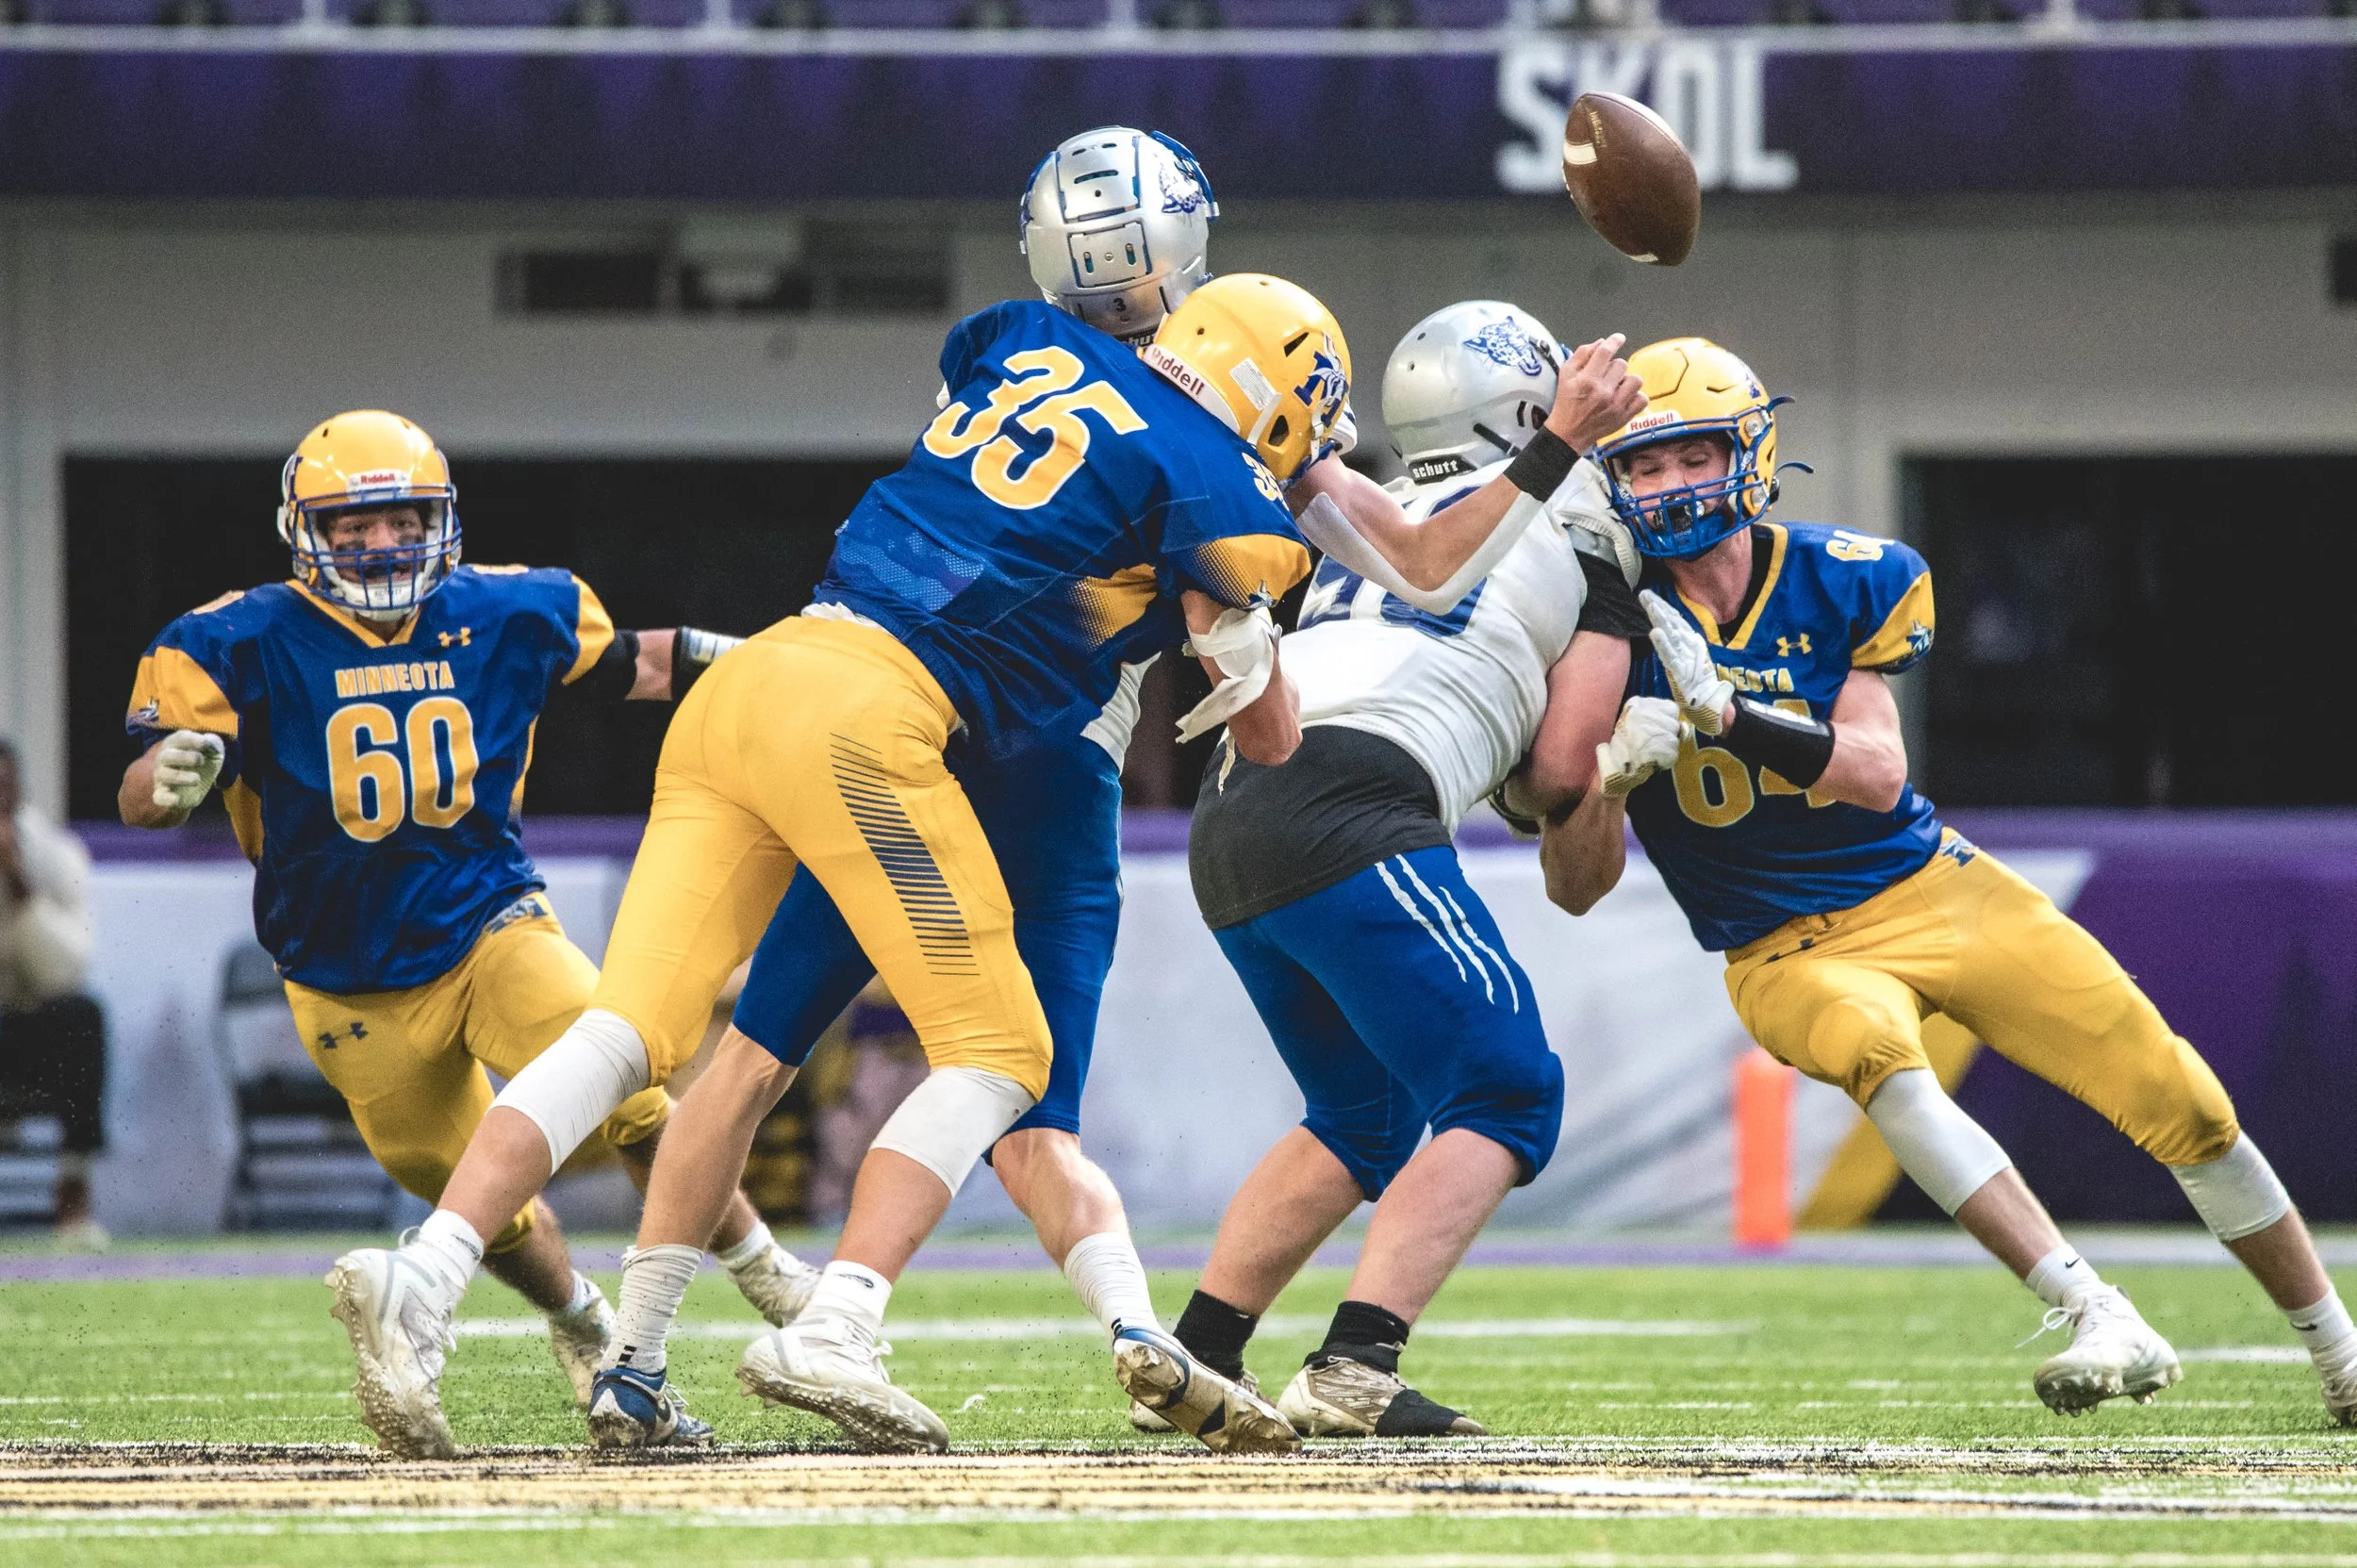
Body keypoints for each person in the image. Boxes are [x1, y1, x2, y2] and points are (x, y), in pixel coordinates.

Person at [325, 270, 1520, 1459]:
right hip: (873, 718)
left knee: (626, 1036)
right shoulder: (1218, 495)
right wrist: (1249, 633)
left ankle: (433, 1277)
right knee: (1004, 1055)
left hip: (759, 672)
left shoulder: (1034, 344)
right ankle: (838, 1322)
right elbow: (1270, 733)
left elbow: (990, 394)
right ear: (1278, 401)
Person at [1540, 337, 2357, 1425]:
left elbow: (1877, 777)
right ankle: (2091, 1308)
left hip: (1931, 886)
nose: (1669, 485)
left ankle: (2340, 1356)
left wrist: (1730, 714)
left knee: (2184, 1100)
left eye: (1690, 455)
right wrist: (1599, 785)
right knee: (1888, 1064)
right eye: (1641, 465)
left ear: (1749, 452)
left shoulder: (1849, 572)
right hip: (1780, 943)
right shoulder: (1603, 625)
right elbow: (1574, 888)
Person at [118, 410, 813, 1458]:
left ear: (438, 520)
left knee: (624, 1073)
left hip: (490, 922)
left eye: (400, 518)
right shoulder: (233, 640)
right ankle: (582, 1321)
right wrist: (160, 786)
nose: (381, 544)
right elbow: (140, 786)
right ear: (303, 533)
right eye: (350, 527)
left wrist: (778, 661)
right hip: (341, 976)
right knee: (483, 1203)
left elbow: (639, 663)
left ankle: (771, 1278)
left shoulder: (508, 608)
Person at [1146, 302, 1647, 1437]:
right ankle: (1355, 1365)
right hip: (1356, 795)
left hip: (1236, 799)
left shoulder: (1369, 498)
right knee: (1508, 1087)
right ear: (1532, 403)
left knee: (1363, 1112)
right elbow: (1562, 775)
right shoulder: (1584, 520)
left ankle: (1197, 1352)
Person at [0, 738, 109, 1249]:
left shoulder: (54, 856)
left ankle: (73, 1186)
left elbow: (67, 970)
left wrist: (21, 890)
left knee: (82, 1016)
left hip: (27, 1029)